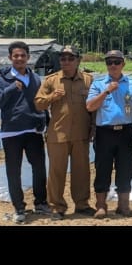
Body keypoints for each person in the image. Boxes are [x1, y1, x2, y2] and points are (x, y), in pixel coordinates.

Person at [0, 41, 51, 224]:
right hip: (11, 133)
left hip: (33, 130)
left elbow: (40, 103)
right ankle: (19, 207)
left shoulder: (35, 79)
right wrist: (10, 89)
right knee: (13, 171)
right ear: (10, 58)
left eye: (23, 55)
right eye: (16, 56)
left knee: (39, 168)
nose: (19, 58)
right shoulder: (2, 80)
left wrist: (45, 121)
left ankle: (40, 203)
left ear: (28, 57)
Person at [35, 45, 94, 218]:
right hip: (58, 134)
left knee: (82, 172)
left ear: (78, 60)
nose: (66, 61)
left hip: (81, 135)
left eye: (70, 58)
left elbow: (95, 108)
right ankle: (57, 207)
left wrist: (94, 129)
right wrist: (51, 97)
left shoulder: (88, 80)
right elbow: (38, 103)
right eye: (63, 58)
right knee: (56, 173)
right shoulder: (51, 80)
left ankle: (82, 204)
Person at [86, 51, 132, 219]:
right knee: (102, 168)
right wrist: (106, 92)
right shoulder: (98, 84)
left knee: (126, 168)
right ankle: (101, 205)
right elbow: (90, 106)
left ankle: (123, 205)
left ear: (123, 64)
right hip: (104, 133)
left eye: (116, 62)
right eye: (109, 62)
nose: (113, 65)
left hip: (125, 132)